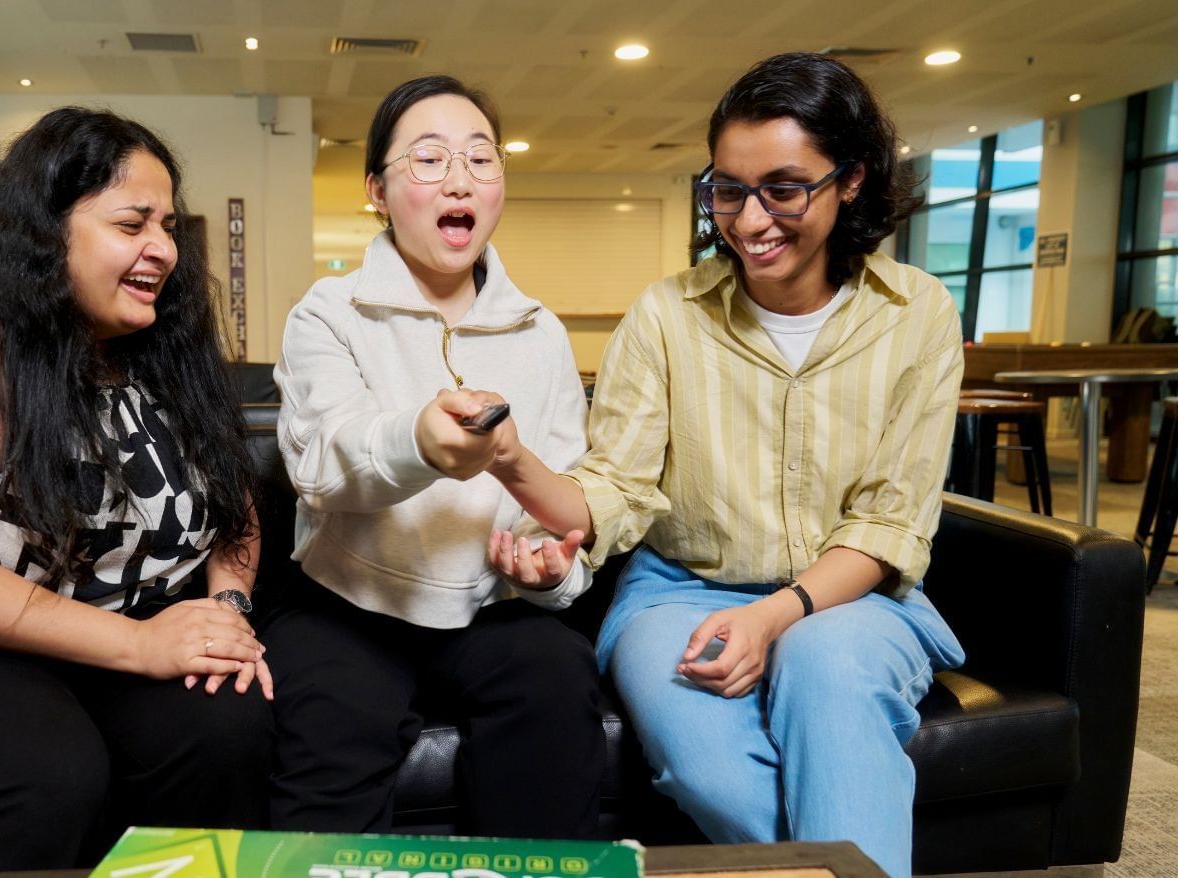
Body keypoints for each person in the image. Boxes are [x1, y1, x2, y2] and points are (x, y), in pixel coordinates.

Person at [481, 53, 965, 877]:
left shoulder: (917, 313)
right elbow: (619, 485)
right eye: (727, 190)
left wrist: (776, 617)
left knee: (825, 666)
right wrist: (515, 467)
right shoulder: (666, 314)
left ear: (849, 181)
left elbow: (890, 521)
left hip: (852, 597)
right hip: (681, 590)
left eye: (784, 188)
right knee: (701, 762)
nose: (749, 220)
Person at [0, 107, 274, 873]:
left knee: (228, 723)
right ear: (46, 227)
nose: (164, 250)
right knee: (47, 775)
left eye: (169, 226)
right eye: (133, 223)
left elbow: (235, 510)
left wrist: (225, 612)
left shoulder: (163, 354)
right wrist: (139, 644)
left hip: (102, 642)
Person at [264, 75, 605, 838]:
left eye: (482, 160)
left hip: (492, 609)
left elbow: (562, 491)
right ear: (377, 191)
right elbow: (323, 461)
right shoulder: (329, 312)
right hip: (346, 605)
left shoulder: (540, 332)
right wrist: (419, 442)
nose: (460, 179)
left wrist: (554, 569)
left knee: (556, 683)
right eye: (428, 159)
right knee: (328, 740)